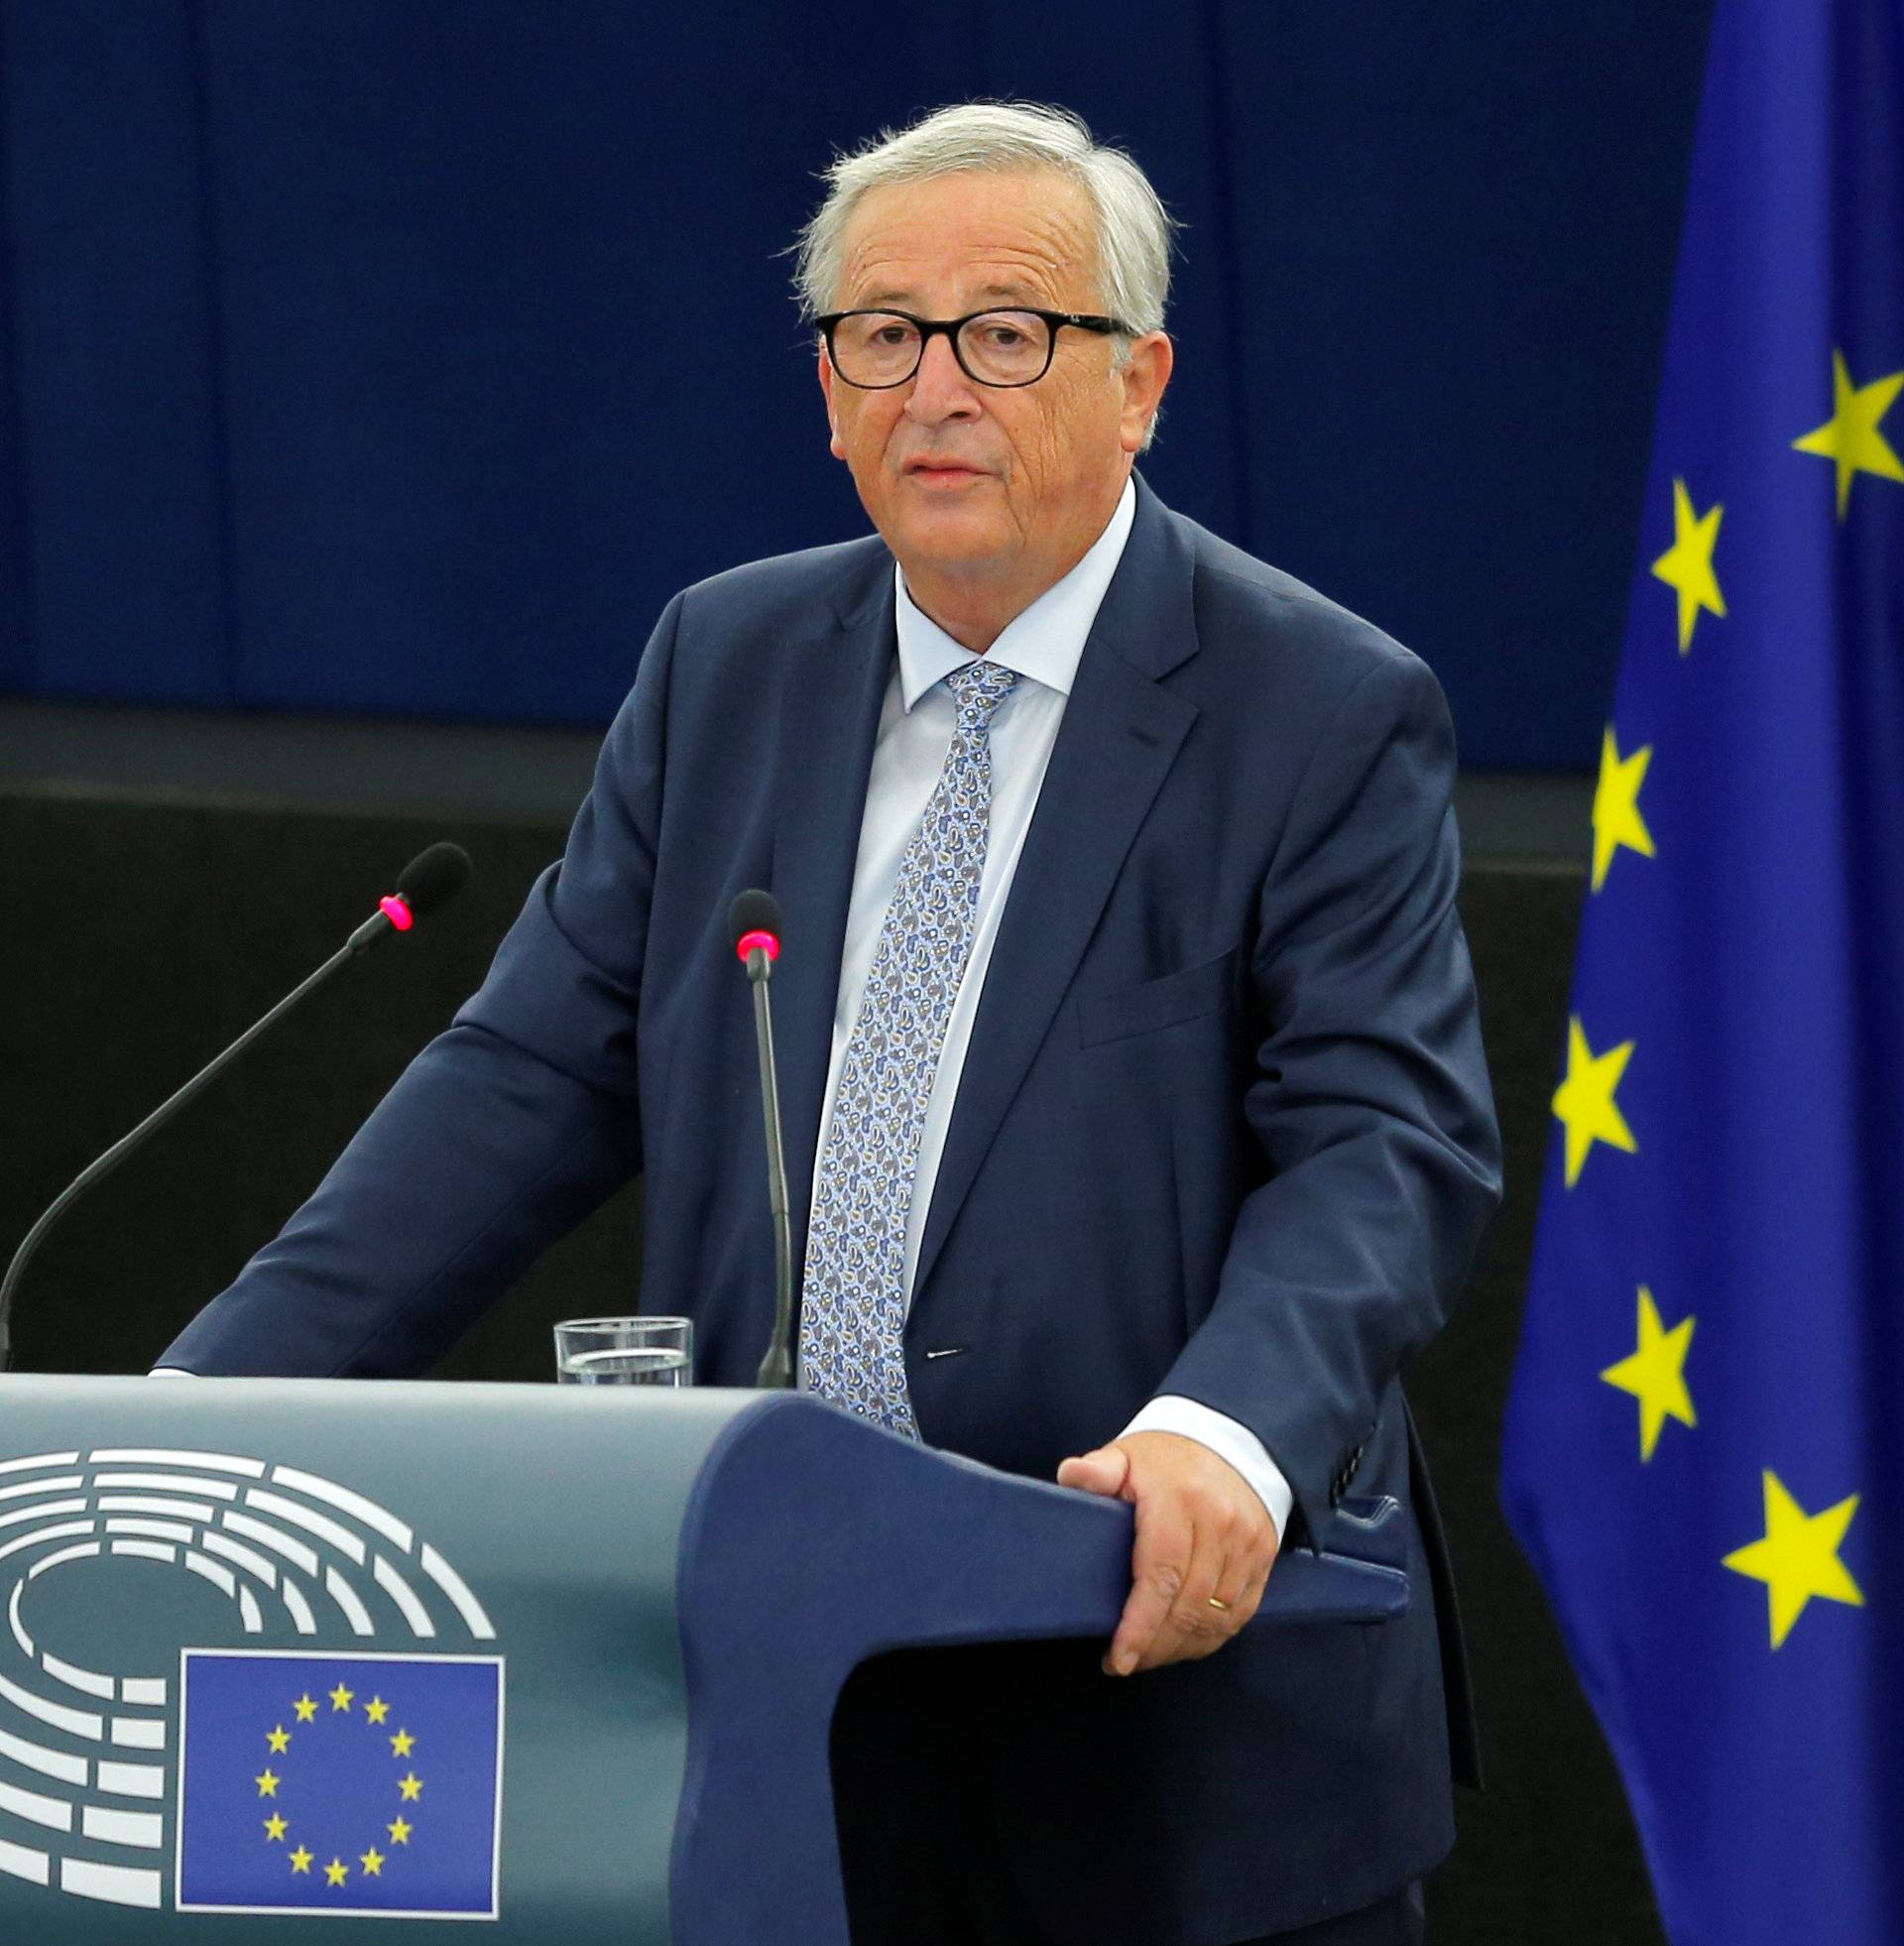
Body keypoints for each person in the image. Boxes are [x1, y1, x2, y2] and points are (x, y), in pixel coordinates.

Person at [159, 102, 1500, 1945]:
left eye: (1006, 332)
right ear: (828, 385)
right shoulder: (728, 661)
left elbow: (1386, 1143)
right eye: (882, 333)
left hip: (1163, 1717)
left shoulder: (1320, 707)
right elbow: (527, 1078)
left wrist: (1227, 1428)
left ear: (1142, 383)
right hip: (778, 1688)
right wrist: (190, 1424)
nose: (934, 387)